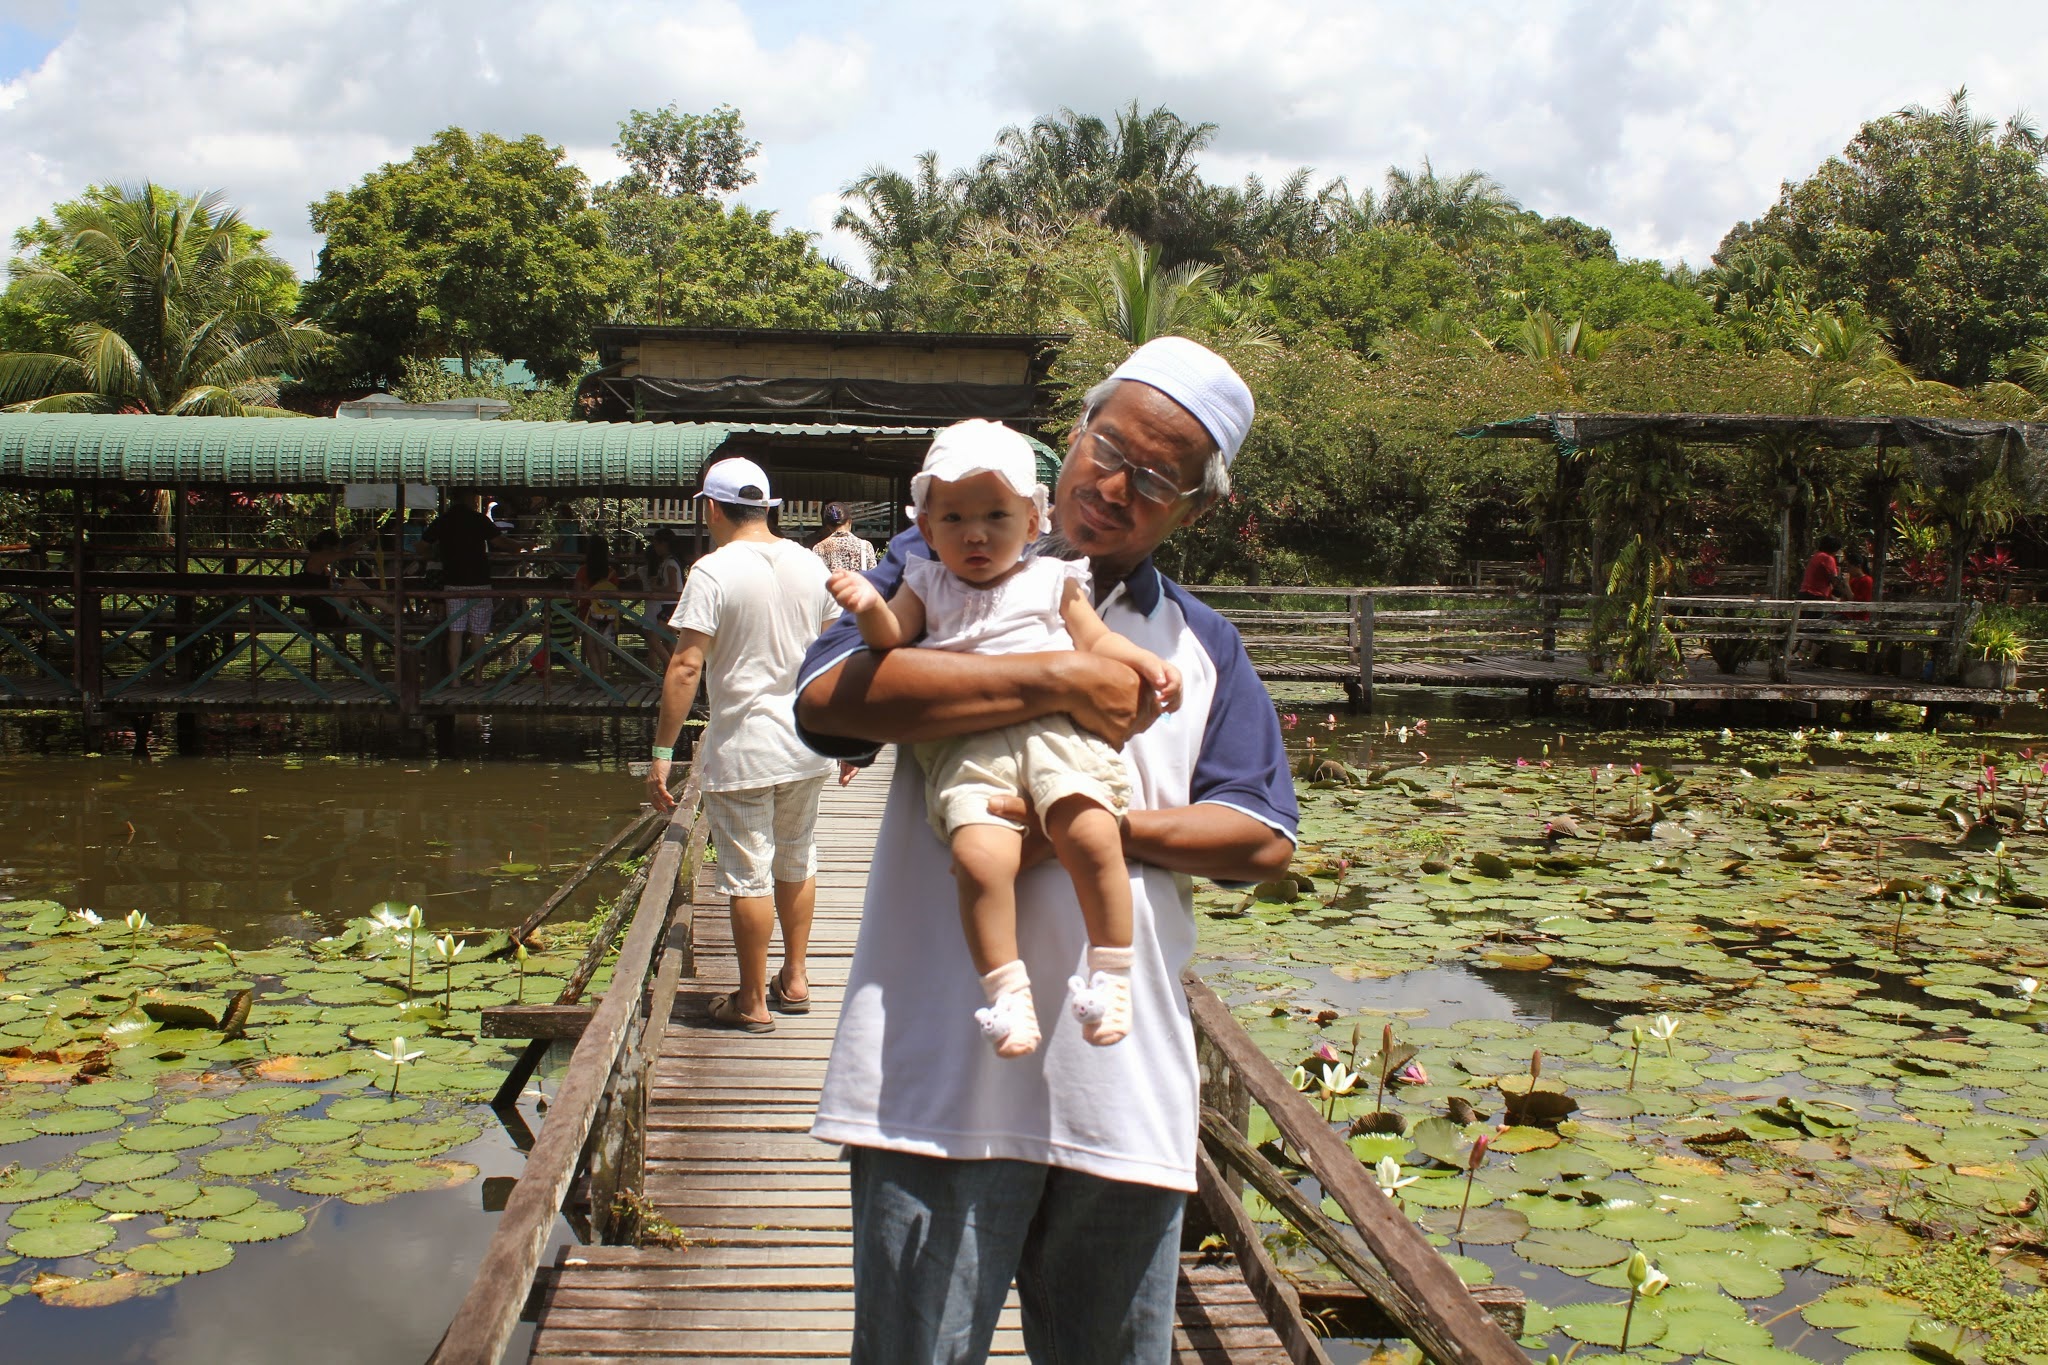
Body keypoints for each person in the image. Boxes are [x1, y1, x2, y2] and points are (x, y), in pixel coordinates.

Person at [794, 337, 1297, 1363]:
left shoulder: (1203, 645)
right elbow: (827, 709)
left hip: (1122, 1091)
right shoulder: (932, 573)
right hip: (933, 1080)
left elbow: (1258, 835)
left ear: (1192, 511)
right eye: (1106, 448)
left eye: (1155, 480)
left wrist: (1085, 837)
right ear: (1070, 437)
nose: (1114, 487)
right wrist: (1060, 682)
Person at [827, 421, 1181, 1059]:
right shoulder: (924, 583)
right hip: (969, 745)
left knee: (1092, 833)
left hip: (1058, 738)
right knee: (979, 859)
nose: (976, 533)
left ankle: (1111, 971)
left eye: (996, 515)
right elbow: (888, 640)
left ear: (1033, 519)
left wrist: (1147, 665)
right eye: (955, 518)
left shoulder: (1053, 581)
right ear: (927, 529)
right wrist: (867, 605)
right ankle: (1006, 991)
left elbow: (1097, 643)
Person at [646, 457, 846, 1031]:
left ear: (711, 507)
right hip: (806, 743)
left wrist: (663, 754)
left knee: (747, 875)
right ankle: (797, 976)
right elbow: (838, 650)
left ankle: (753, 1000)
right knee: (798, 855)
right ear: (769, 507)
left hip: (743, 748)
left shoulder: (712, 571)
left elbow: (686, 666)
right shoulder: (810, 564)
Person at [421, 490, 512, 687]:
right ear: (471, 498)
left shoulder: (443, 520)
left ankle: (455, 679)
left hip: (453, 581)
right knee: (478, 631)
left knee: (456, 631)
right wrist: (519, 546)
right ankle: (477, 677)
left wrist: (436, 554)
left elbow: (421, 545)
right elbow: (499, 542)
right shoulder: (478, 519)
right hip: (479, 580)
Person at [813, 501, 878, 575]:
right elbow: (873, 579)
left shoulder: (818, 549)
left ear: (828, 526)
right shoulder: (865, 546)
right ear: (849, 521)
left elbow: (815, 579)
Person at [1798, 534, 1846, 601]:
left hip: (1804, 593)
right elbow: (1835, 581)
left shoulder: (1816, 556)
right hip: (1815, 595)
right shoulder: (1828, 558)